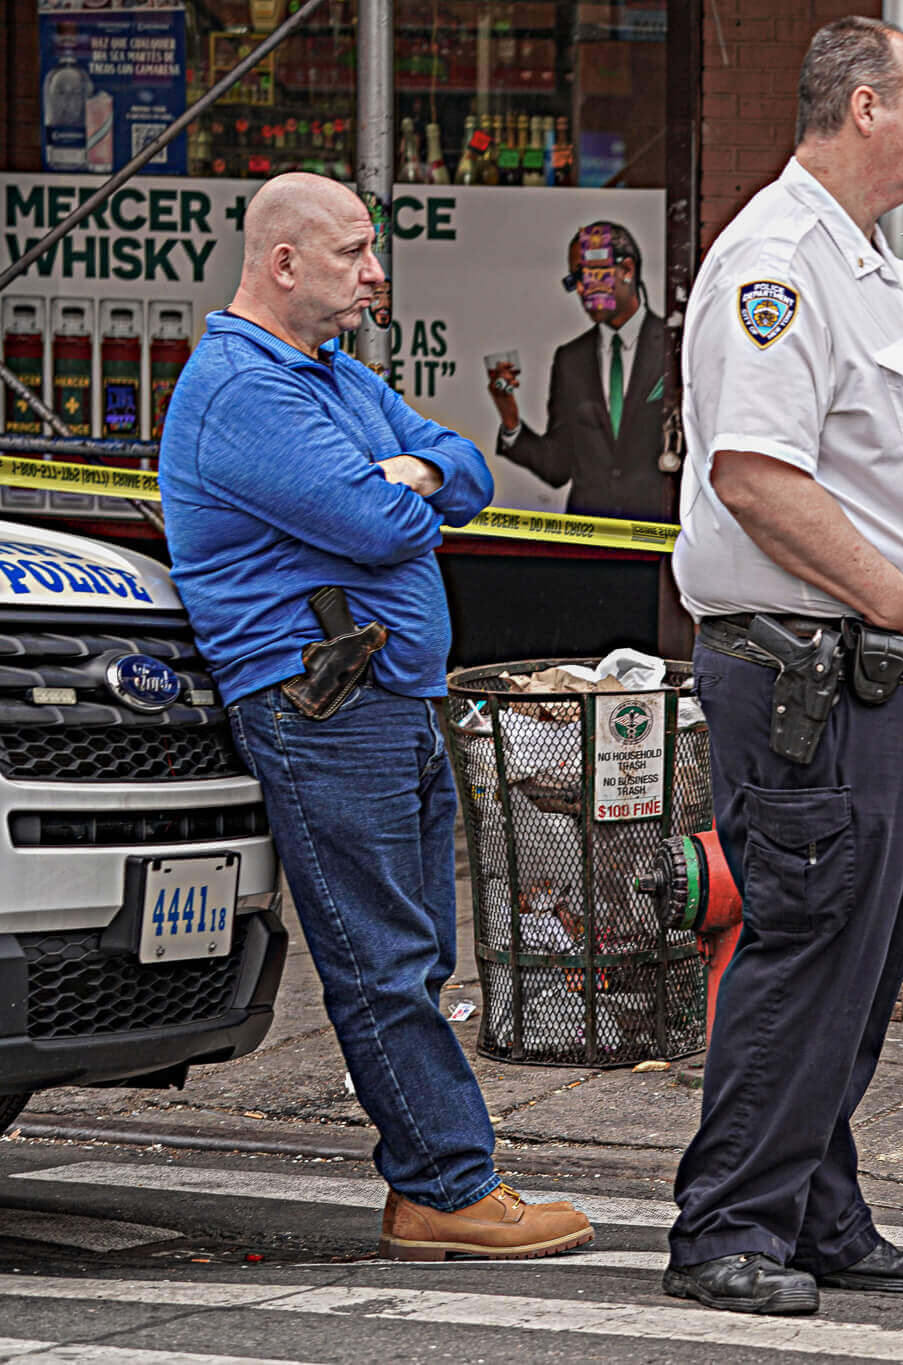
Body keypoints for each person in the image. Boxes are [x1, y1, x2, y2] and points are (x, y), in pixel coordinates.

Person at [157, 172, 593, 1262]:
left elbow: (470, 472)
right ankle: (448, 1186)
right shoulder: (241, 391)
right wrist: (402, 481)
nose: (374, 273)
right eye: (353, 253)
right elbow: (383, 523)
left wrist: (412, 466)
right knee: (381, 957)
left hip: (387, 697)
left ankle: (432, 1179)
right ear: (284, 262)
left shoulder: (334, 378)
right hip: (323, 704)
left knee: (418, 948)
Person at [662, 17, 903, 1316]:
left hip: (886, 676)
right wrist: (891, 593)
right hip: (818, 672)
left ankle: (813, 1206)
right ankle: (728, 1225)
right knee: (801, 954)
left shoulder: (866, 263)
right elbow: (751, 471)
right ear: (864, 108)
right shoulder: (780, 261)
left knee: (858, 964)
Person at [487, 220, 671, 520]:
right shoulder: (571, 359)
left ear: (627, 270)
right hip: (589, 545)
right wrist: (510, 418)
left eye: (590, 274)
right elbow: (558, 466)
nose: (583, 289)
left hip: (658, 540)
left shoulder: (673, 347)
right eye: (576, 280)